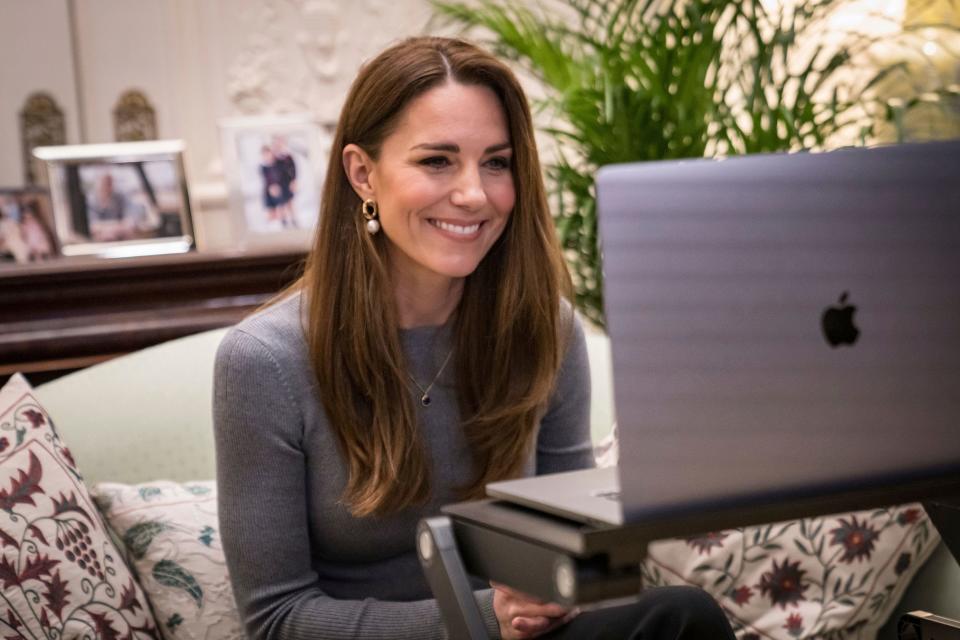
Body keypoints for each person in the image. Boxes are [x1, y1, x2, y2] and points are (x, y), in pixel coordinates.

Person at [213, 36, 736, 640]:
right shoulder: (264, 362)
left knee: (680, 613)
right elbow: (276, 620)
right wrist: (485, 616)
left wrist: (572, 586)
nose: (475, 194)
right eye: (437, 161)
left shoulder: (548, 332)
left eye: (496, 162)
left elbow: (576, 554)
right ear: (363, 174)